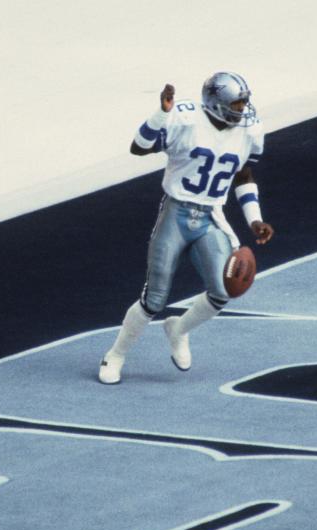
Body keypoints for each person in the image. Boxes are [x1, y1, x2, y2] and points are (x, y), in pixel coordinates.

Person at [98, 72, 275, 384]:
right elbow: (139, 147)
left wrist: (254, 219)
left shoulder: (249, 131)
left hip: (212, 216)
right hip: (176, 212)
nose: (244, 108)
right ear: (217, 103)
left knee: (222, 292)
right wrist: (162, 113)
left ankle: (177, 330)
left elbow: (243, 174)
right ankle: (115, 355)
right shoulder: (185, 119)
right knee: (154, 298)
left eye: (245, 101)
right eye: (237, 102)